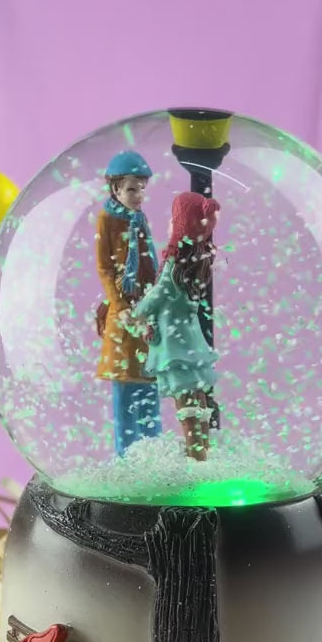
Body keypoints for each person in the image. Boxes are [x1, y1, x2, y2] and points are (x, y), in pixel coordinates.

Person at [134, 192, 220, 462]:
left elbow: (158, 295)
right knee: (198, 396)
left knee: (185, 400)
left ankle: (197, 456)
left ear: (183, 223)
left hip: (174, 345)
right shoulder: (198, 259)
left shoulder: (175, 264)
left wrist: (137, 312)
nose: (171, 223)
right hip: (191, 340)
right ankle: (203, 448)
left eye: (175, 218)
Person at [95, 150, 161, 456]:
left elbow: (149, 263)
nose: (138, 196)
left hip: (145, 310)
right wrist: (119, 306)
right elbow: (105, 269)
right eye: (132, 189)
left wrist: (156, 299)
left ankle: (153, 449)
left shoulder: (139, 219)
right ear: (115, 189)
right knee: (124, 387)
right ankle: (126, 455)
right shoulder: (107, 219)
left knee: (149, 382)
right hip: (123, 312)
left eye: (142, 189)